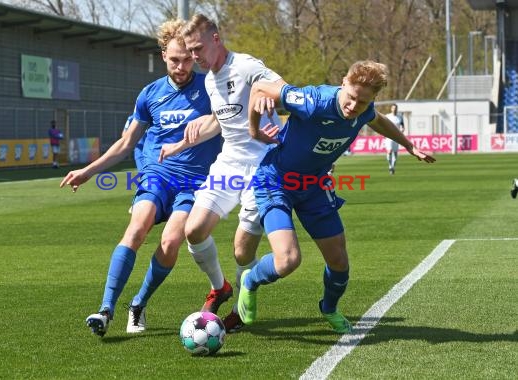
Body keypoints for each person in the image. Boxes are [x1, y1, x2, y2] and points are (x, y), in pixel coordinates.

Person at [237, 60, 436, 333]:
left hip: (315, 186)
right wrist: (253, 130)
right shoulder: (313, 100)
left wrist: (410, 146)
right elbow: (259, 87)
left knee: (339, 263)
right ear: (343, 82)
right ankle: (250, 280)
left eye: (363, 102)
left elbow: (378, 121)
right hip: (276, 181)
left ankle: (329, 308)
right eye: (352, 97)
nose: (354, 106)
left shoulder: (364, 112)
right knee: (287, 260)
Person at [60, 19, 221, 337]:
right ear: (163, 55)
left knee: (172, 240)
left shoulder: (211, 87)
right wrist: (88, 171)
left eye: (187, 58)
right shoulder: (150, 95)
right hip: (159, 175)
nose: (181, 66)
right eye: (174, 59)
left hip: (196, 181)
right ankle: (105, 310)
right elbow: (125, 143)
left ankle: (138, 303)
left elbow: (231, 117)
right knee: (136, 229)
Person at [161, 13, 286, 333]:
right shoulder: (209, 79)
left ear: (216, 39)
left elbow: (284, 90)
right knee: (195, 229)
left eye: (198, 49)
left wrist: (266, 94)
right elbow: (221, 121)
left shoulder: (245, 66)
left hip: (262, 164)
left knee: (243, 250)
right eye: (190, 52)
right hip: (229, 162)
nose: (194, 57)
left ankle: (244, 303)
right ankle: (220, 287)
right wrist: (179, 146)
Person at [384, 103, 405, 175]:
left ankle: (393, 167)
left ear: (397, 109)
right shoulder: (387, 116)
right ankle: (390, 166)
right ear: (391, 109)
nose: (394, 109)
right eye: (393, 108)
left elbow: (403, 126)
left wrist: (401, 131)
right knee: (389, 151)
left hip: (397, 137)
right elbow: (384, 125)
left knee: (395, 154)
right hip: (389, 136)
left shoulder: (400, 117)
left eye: (395, 108)